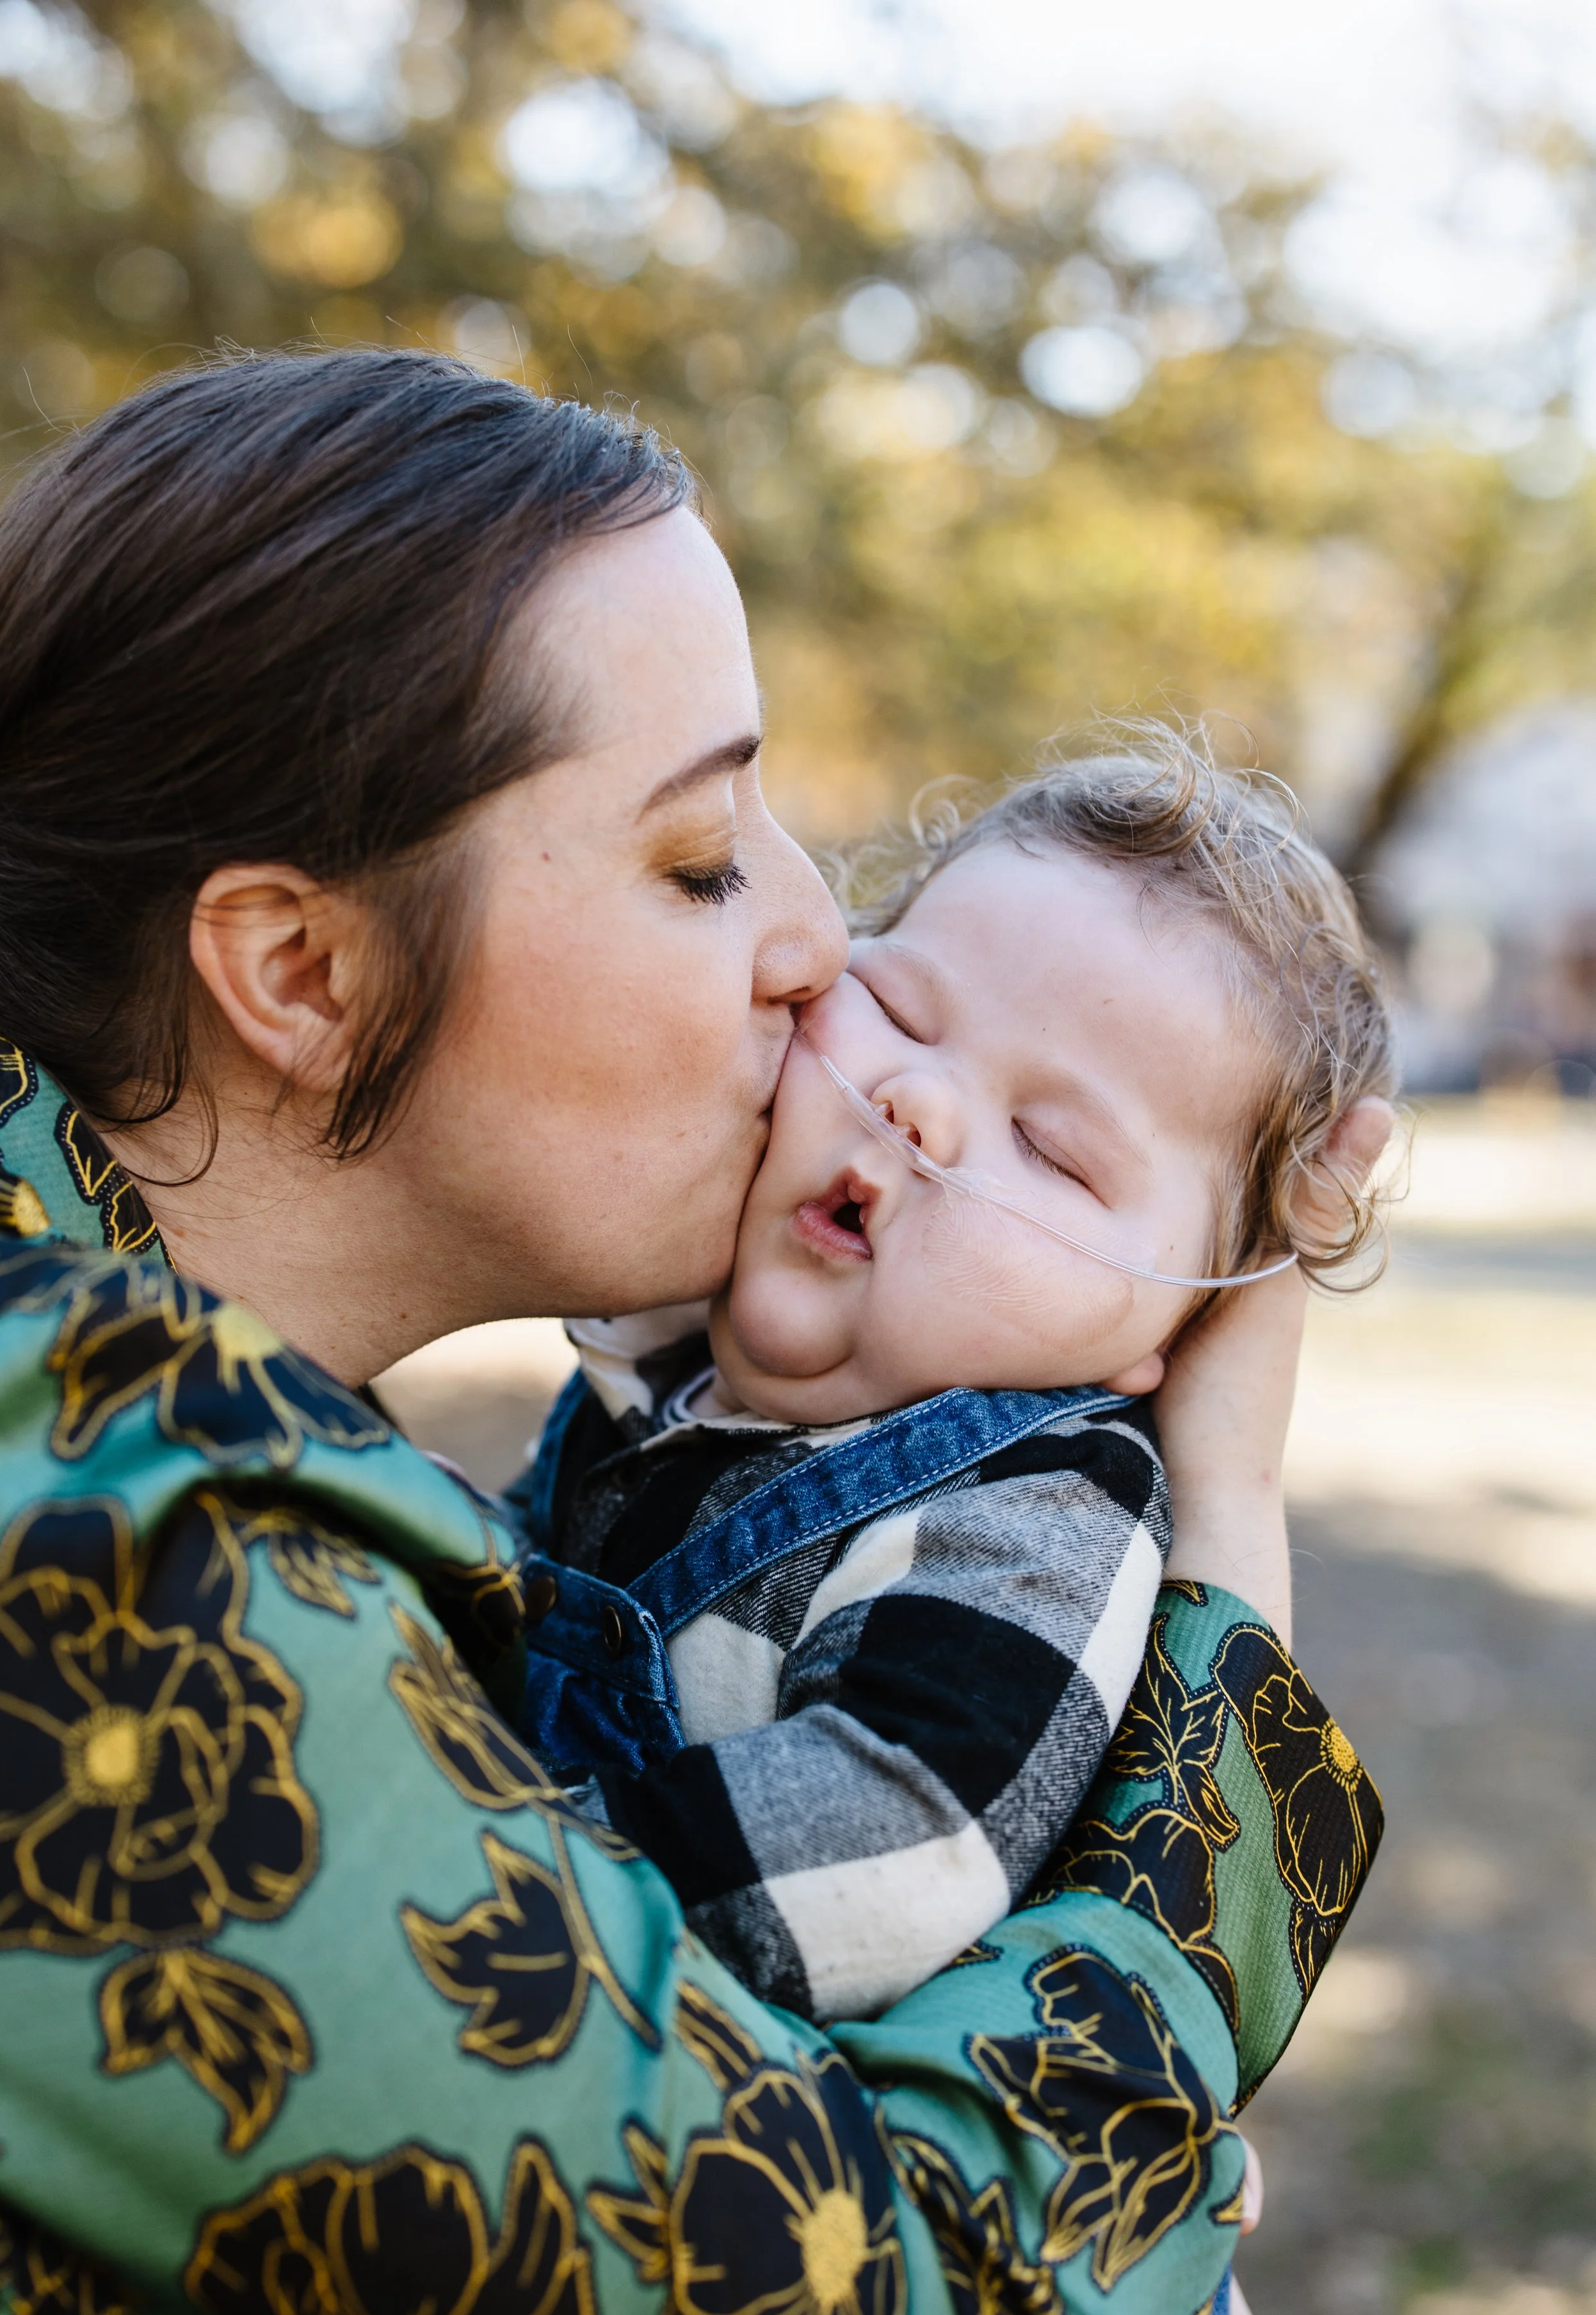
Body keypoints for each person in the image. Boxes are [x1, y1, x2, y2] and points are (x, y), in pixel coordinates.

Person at [0, 347, 1377, 2315]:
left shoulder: (187, 1416)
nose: (826, 952)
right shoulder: (102, 1557)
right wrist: (1226, 1640)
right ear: (298, 970)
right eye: (701, 856)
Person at [520, 739, 1394, 2036]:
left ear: (1156, 1331)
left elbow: (888, 1850)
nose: (914, 1101)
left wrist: (462, 1848)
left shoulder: (1036, 1522)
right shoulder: (659, 1361)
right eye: (904, 1010)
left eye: (1049, 1148)